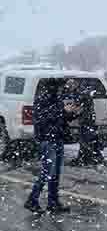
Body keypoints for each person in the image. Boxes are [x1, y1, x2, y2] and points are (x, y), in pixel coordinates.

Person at [24, 80, 79, 214]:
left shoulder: (55, 99)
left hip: (57, 139)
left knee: (55, 174)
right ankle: (32, 200)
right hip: (48, 140)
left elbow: (60, 118)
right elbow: (45, 118)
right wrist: (62, 110)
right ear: (53, 88)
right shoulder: (43, 100)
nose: (62, 90)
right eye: (60, 88)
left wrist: (72, 113)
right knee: (47, 172)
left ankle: (53, 203)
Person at [66, 78, 103, 167]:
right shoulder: (82, 92)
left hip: (87, 121)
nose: (69, 89)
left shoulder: (81, 94)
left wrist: (70, 113)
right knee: (90, 140)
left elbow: (78, 108)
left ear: (74, 85)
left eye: (70, 87)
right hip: (89, 120)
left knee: (86, 140)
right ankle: (92, 158)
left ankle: (86, 159)